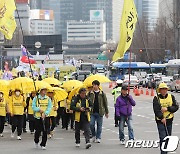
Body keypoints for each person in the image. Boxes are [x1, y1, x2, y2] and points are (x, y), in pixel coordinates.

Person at [153, 83, 179, 154]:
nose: (164, 91)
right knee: (163, 137)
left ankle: (165, 150)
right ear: (160, 90)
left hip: (169, 120)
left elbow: (176, 107)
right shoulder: (156, 98)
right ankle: (163, 152)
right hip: (160, 121)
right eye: (162, 89)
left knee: (168, 137)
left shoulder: (171, 96)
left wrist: (167, 108)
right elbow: (156, 110)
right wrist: (161, 117)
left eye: (165, 89)